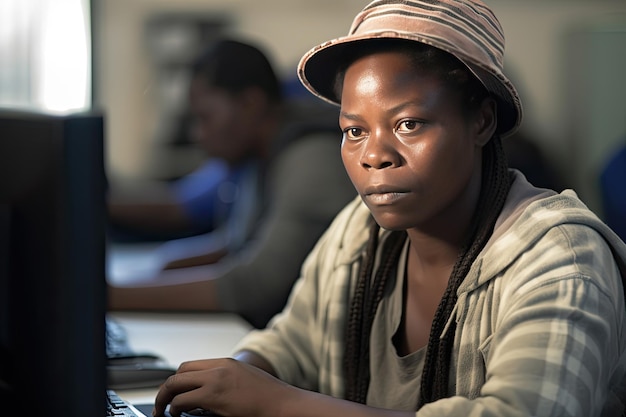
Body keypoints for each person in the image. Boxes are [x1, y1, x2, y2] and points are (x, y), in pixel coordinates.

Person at [152, 1, 626, 416]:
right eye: (354, 130)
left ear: (481, 121)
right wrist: (230, 382)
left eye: (409, 124)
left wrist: (275, 403)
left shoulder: (562, 260)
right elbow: (289, 344)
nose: (374, 155)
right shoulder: (360, 231)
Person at [107, 38, 356, 329]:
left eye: (206, 118)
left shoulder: (311, 161)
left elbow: (255, 285)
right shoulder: (258, 156)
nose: (199, 135)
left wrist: (110, 296)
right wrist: (162, 269)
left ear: (251, 103)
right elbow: (237, 244)